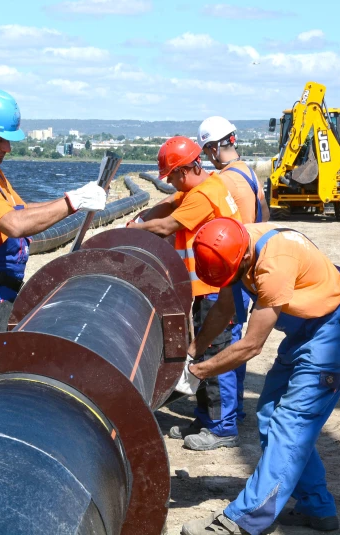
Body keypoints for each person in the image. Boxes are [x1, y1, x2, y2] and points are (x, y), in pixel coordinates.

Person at [179, 219, 340, 535]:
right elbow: (223, 311)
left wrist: (198, 372)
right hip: (304, 332)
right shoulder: (233, 246)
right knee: (268, 416)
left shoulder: (274, 264)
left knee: (290, 426)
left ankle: (242, 521)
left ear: (244, 261)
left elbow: (251, 345)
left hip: (332, 334)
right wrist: (193, 352)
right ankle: (316, 507)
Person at [0, 89, 106, 349]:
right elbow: (15, 224)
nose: (8, 148)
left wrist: (74, 198)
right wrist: (72, 203)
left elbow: (21, 210)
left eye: (8, 140)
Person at [126, 136, 243, 451]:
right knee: (205, 352)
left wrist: (132, 231)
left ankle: (222, 429)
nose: (173, 183)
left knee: (215, 355)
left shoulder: (203, 196)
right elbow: (168, 204)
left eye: (173, 176)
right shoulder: (207, 186)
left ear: (184, 170)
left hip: (217, 289)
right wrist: (142, 216)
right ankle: (206, 418)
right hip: (208, 287)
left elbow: (166, 227)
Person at [198, 116, 271, 423]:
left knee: (219, 344)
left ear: (215, 148)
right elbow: (264, 216)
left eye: (206, 151)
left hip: (225, 272)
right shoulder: (248, 173)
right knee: (233, 342)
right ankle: (233, 411)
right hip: (245, 269)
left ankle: (221, 423)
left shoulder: (223, 180)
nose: (206, 158)